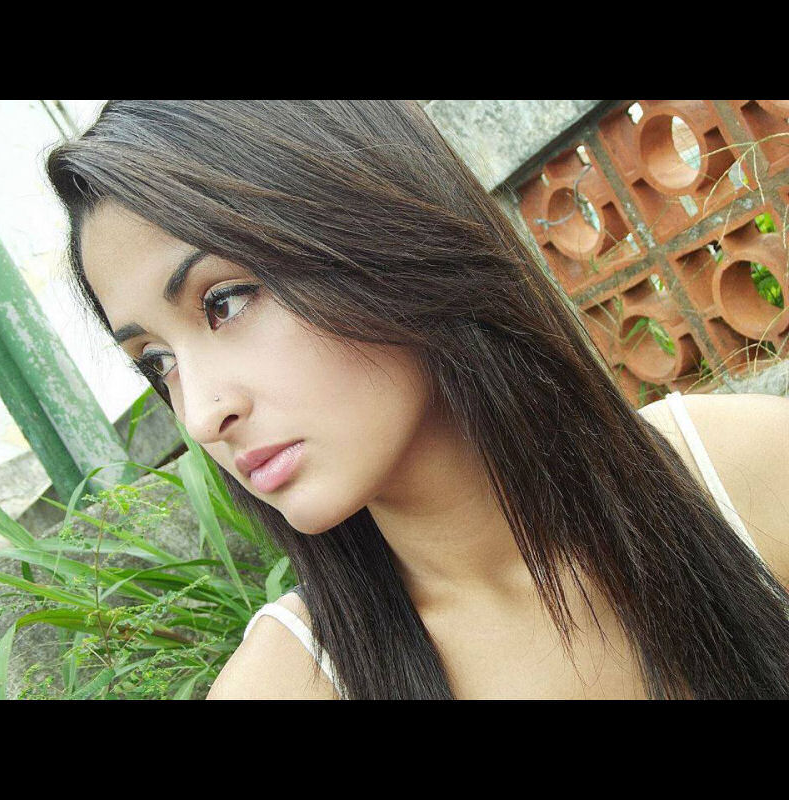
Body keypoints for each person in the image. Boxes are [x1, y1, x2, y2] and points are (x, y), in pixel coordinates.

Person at [46, 100, 789, 700]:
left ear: (377, 229)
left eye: (226, 302)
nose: (203, 414)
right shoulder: (288, 683)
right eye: (158, 362)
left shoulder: (742, 477)